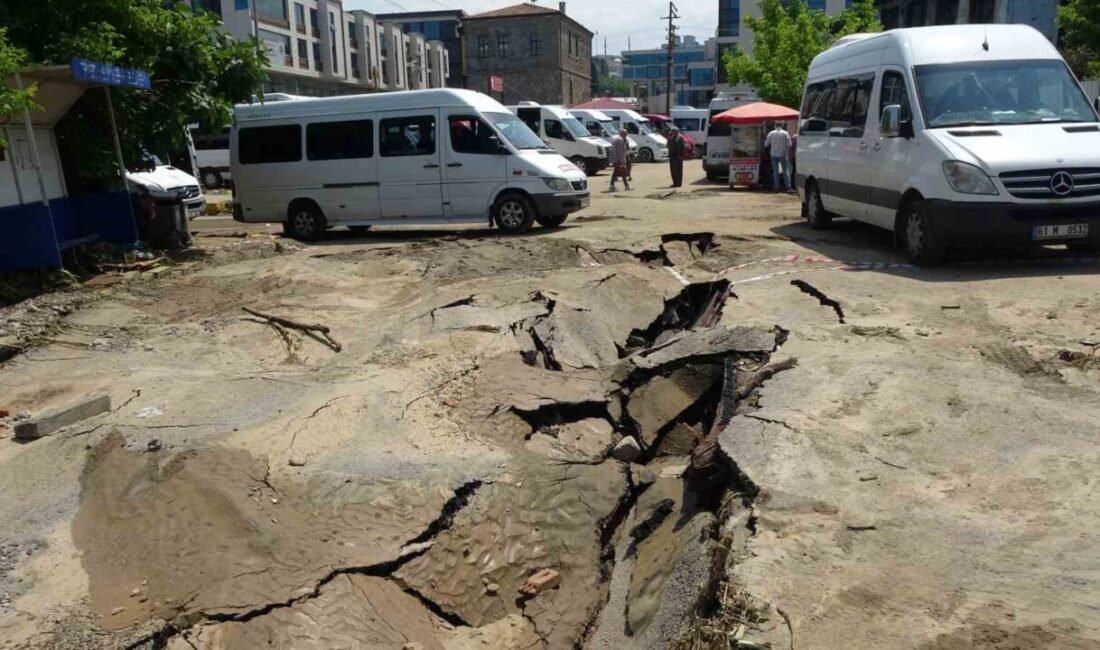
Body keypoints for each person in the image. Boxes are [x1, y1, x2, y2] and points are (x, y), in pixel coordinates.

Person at [764, 122, 794, 193]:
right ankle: (788, 187)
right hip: (783, 154)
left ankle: (776, 187)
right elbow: (789, 144)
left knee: (775, 171)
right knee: (785, 170)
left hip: (773, 154)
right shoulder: (785, 133)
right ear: (782, 126)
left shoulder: (771, 133)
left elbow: (766, 144)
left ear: (775, 126)